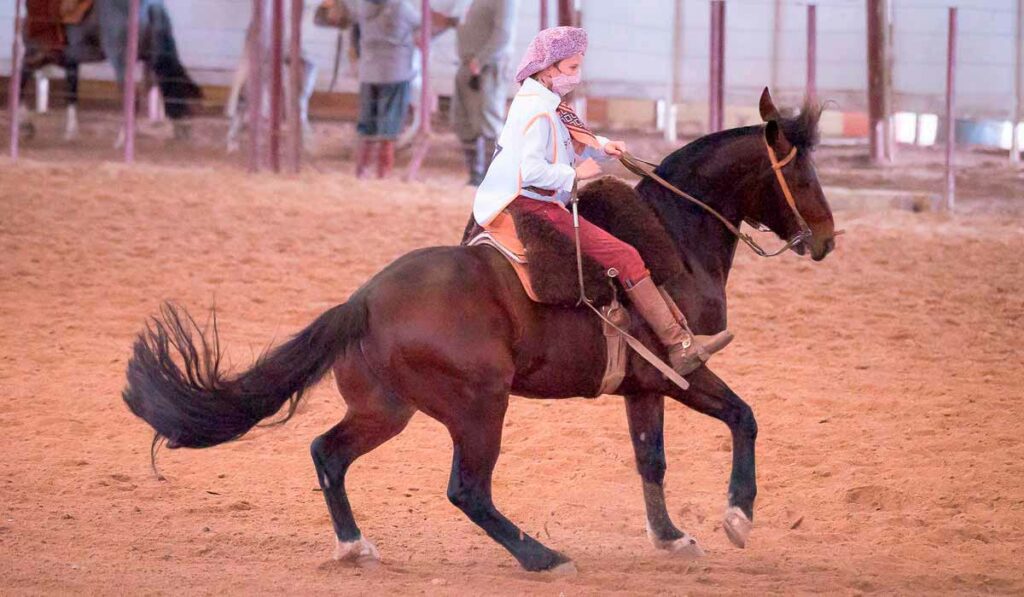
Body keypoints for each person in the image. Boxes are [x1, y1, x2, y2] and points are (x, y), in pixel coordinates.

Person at [472, 26, 733, 377]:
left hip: (542, 197)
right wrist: (576, 175)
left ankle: (675, 332)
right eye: (571, 68)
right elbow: (530, 170)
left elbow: (575, 134)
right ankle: (678, 345)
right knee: (625, 255)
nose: (576, 76)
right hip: (534, 204)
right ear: (548, 70)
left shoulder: (542, 102)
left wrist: (605, 146)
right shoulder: (539, 113)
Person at [453, 0, 518, 186]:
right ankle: (475, 176)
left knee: (488, 120)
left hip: (486, 67)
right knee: (464, 121)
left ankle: (495, 177)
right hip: (467, 63)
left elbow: (503, 34)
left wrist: (481, 61)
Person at [354, 0, 420, 179]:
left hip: (368, 70)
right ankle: (383, 176)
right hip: (395, 71)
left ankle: (361, 173)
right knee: (388, 131)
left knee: (366, 129)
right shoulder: (401, 6)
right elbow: (421, 28)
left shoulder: (362, 6)